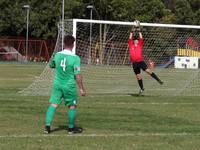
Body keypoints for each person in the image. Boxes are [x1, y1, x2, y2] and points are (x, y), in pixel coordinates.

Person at [44, 35, 86, 134]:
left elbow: (51, 65)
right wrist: (81, 89)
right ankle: (71, 129)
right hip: (69, 86)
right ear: (73, 44)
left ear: (64, 43)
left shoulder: (57, 55)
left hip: (57, 84)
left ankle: (47, 127)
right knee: (72, 106)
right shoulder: (75, 58)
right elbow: (78, 75)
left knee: (53, 104)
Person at [128, 25, 163, 95]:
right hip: (134, 63)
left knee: (148, 71)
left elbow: (141, 38)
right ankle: (142, 88)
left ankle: (159, 80)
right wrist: (131, 31)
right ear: (133, 41)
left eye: (137, 40)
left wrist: (139, 30)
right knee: (138, 76)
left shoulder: (140, 45)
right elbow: (130, 38)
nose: (136, 41)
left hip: (140, 62)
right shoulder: (131, 45)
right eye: (135, 40)